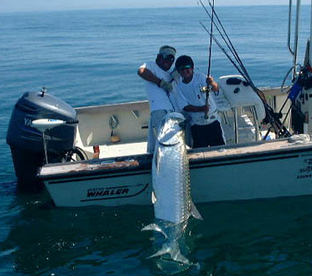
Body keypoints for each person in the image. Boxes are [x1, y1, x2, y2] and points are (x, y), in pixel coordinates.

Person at [174, 55, 225, 148]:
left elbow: (216, 88)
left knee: (219, 149)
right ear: (178, 72)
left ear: (192, 68)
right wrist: (201, 109)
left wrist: (212, 82)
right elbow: (185, 107)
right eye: (182, 69)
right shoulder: (179, 88)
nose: (185, 71)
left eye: (187, 68)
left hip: (213, 120)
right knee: (200, 151)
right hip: (197, 124)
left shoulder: (201, 77)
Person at [138, 45, 177, 152]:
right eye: (164, 57)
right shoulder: (151, 65)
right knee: (160, 144)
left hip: (172, 112)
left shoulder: (171, 73)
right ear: (158, 57)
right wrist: (160, 83)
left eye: (171, 59)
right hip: (159, 110)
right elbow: (141, 71)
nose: (167, 61)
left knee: (170, 143)